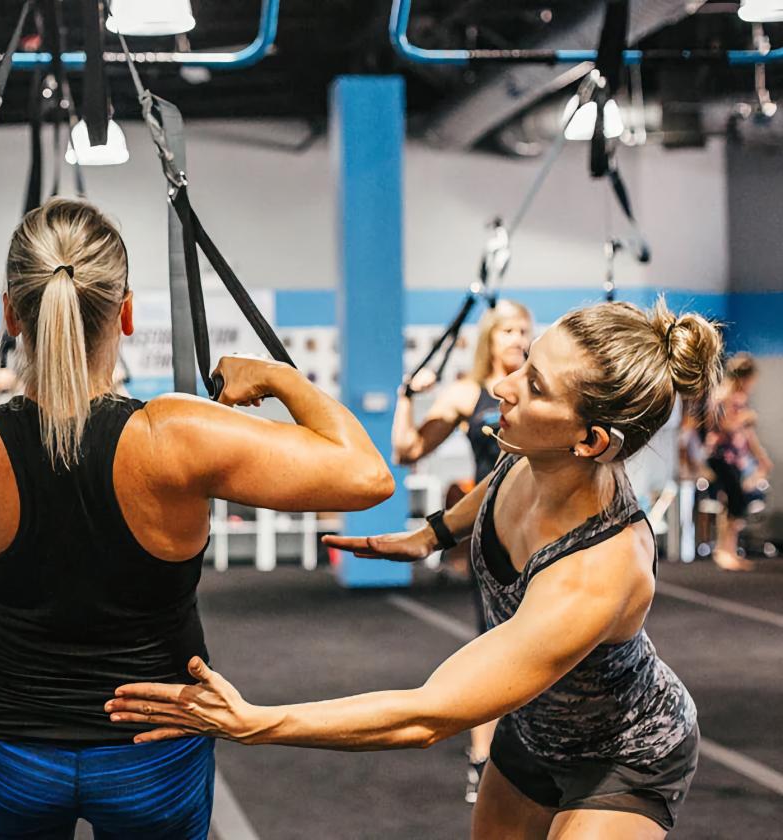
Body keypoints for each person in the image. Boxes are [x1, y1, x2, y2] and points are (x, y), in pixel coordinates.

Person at [0, 197, 394, 838]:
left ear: (11, 312)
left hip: (9, 751)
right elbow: (368, 475)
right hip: (153, 744)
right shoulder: (174, 435)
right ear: (125, 314)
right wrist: (283, 378)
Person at [108, 299, 720, 839]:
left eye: (534, 386)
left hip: (624, 751)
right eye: (523, 362)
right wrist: (429, 535)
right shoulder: (535, 459)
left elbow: (430, 714)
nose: (504, 386)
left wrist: (259, 723)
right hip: (534, 731)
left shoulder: (600, 571)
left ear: (589, 441)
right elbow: (495, 487)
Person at [392, 298, 533, 802]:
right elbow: (407, 450)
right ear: (489, 339)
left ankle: (542, 755)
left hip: (545, 535)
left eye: (524, 330)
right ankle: (482, 757)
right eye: (508, 331)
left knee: (544, 646)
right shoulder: (469, 393)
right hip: (493, 534)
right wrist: (406, 396)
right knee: (494, 648)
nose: (518, 339)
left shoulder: (541, 392)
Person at [702, 354, 771, 571]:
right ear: (743, 377)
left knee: (733, 503)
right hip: (721, 457)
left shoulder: (740, 399)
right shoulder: (722, 396)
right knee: (734, 502)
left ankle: (728, 550)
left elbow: (748, 436)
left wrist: (761, 458)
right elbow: (721, 426)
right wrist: (745, 418)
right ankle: (724, 551)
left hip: (737, 459)